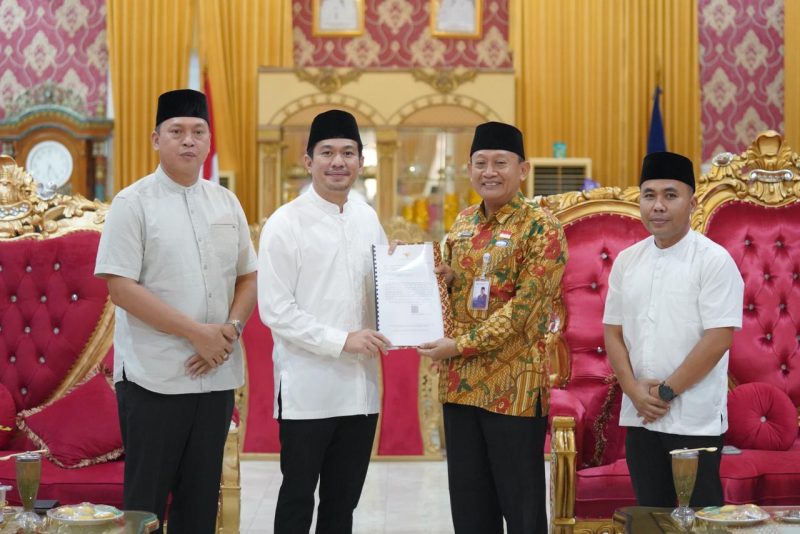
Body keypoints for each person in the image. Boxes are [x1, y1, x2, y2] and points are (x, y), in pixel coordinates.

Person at [94, 89, 257, 534]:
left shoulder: (226, 202)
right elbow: (120, 287)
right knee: (145, 507)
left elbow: (248, 276)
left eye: (198, 131)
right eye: (177, 131)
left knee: (200, 504)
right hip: (154, 378)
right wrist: (195, 333)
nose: (188, 140)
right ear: (156, 139)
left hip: (215, 376)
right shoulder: (133, 203)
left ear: (208, 140)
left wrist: (228, 331)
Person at [418, 121, 567, 534]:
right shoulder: (463, 223)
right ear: (469, 169)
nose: (489, 172)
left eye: (500, 162)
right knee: (470, 513)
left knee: (522, 514)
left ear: (523, 169)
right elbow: (453, 293)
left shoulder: (542, 227)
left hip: (513, 391)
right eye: (480, 163)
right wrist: (442, 280)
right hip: (461, 389)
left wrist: (457, 346)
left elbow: (522, 312)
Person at [258, 109, 391, 534]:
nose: (338, 161)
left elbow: (383, 288)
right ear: (308, 160)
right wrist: (341, 340)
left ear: (361, 161)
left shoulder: (367, 218)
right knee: (297, 499)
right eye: (327, 152)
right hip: (307, 390)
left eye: (348, 152)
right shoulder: (285, 223)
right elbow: (276, 310)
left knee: (342, 505)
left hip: (360, 391)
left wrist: (421, 284)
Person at [603, 151, 744, 507]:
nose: (658, 206)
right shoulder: (627, 261)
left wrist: (664, 393)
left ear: (692, 203)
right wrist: (634, 392)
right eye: (649, 195)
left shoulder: (714, 261)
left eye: (670, 195)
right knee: (650, 518)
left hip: (693, 419)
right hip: (641, 418)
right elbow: (613, 332)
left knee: (698, 521)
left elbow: (719, 338)